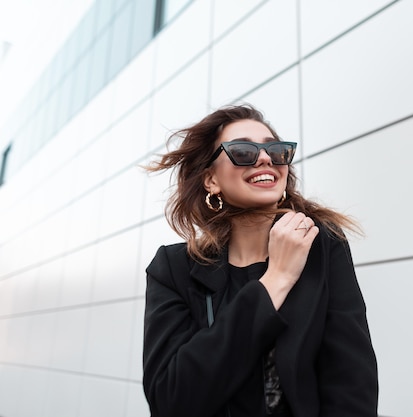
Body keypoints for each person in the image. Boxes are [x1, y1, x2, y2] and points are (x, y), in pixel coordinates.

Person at [142, 104, 378, 417]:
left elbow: (351, 382)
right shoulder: (172, 268)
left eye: (276, 151)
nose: (265, 158)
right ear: (211, 180)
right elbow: (171, 400)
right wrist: (276, 279)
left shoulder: (321, 245)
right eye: (242, 151)